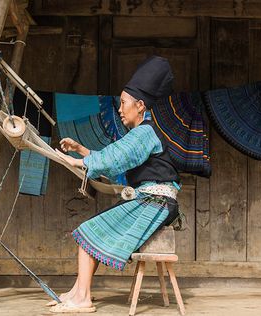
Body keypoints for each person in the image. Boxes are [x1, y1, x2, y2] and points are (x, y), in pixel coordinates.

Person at [49, 56, 181, 313]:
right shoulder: (141, 134)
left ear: (140, 105)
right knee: (91, 231)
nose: (120, 109)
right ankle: (78, 292)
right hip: (153, 202)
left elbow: (114, 159)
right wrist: (80, 150)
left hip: (155, 203)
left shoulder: (144, 133)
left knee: (87, 231)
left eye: (123, 103)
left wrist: (73, 161)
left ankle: (83, 299)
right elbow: (113, 157)